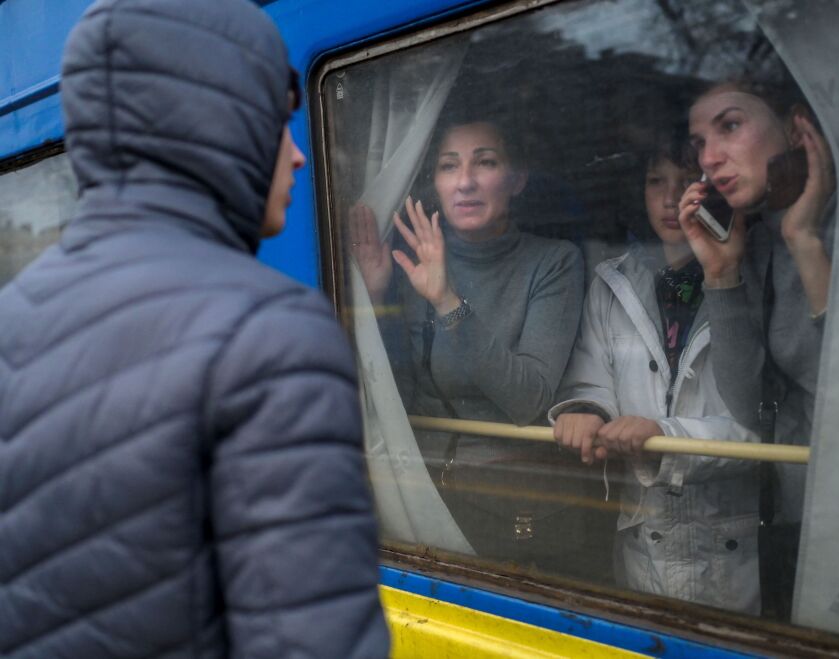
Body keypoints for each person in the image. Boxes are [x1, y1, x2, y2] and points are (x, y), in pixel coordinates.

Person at [0, 1, 388, 657]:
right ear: (219, 127)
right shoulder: (272, 335)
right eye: (276, 123)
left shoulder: (12, 319)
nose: (296, 156)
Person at [350, 118, 599, 576]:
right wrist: (379, 298)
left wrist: (447, 302)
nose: (465, 182)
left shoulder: (553, 261)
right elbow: (396, 398)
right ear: (435, 183)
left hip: (512, 506)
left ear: (517, 178)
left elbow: (530, 398)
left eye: (485, 162)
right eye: (449, 166)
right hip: (416, 487)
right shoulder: (414, 258)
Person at [550, 136, 761, 613]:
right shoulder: (611, 280)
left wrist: (663, 434)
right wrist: (586, 408)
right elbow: (591, 376)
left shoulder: (748, 276)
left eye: (687, 181)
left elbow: (760, 417)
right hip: (644, 539)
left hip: (733, 544)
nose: (670, 199)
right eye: (655, 182)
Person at [678, 78, 835, 619]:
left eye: (731, 126)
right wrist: (721, 273)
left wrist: (808, 243)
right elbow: (750, 406)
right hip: (795, 520)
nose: (711, 158)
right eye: (699, 142)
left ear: (796, 128)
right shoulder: (756, 239)